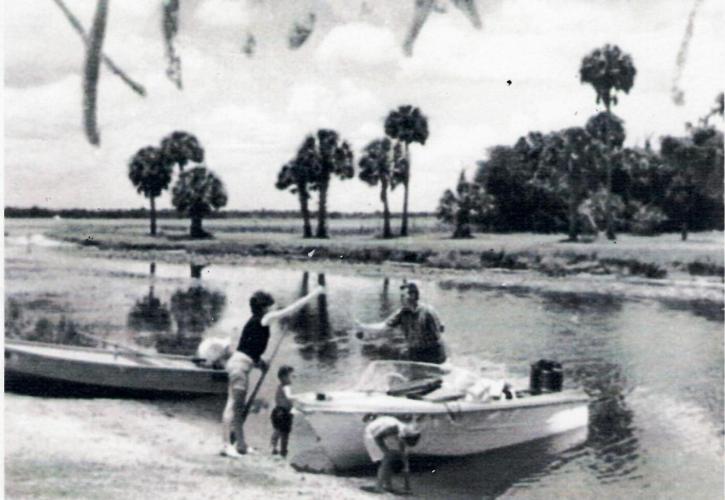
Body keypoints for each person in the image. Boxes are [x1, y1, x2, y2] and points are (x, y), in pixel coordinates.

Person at [221, 286, 324, 458]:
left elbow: (248, 349)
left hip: (239, 364)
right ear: (264, 307)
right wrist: (314, 294)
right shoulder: (264, 318)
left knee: (236, 407)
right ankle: (226, 445)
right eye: (270, 306)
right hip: (239, 367)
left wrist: (260, 363)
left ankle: (241, 445)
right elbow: (290, 310)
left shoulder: (254, 321)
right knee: (234, 407)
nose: (273, 309)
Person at [354, 281, 447, 364]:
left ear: (413, 295)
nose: (401, 299)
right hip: (414, 353)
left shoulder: (428, 312)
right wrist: (363, 327)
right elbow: (384, 326)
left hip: (432, 354)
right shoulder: (402, 313)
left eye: (403, 295)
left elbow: (439, 334)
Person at [364, 416, 421, 494]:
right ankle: (378, 487)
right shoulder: (395, 428)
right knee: (386, 460)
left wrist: (407, 486)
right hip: (371, 433)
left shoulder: (405, 431)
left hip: (381, 429)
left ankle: (388, 486)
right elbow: (377, 437)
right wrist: (385, 451)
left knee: (392, 458)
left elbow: (403, 456)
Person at [270, 365, 295, 457]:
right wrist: (300, 397)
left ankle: (274, 447)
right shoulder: (286, 386)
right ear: (284, 377)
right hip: (282, 412)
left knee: (278, 430)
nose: (293, 378)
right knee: (284, 433)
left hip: (278, 411)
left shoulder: (280, 386)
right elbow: (289, 397)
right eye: (292, 376)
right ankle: (283, 451)